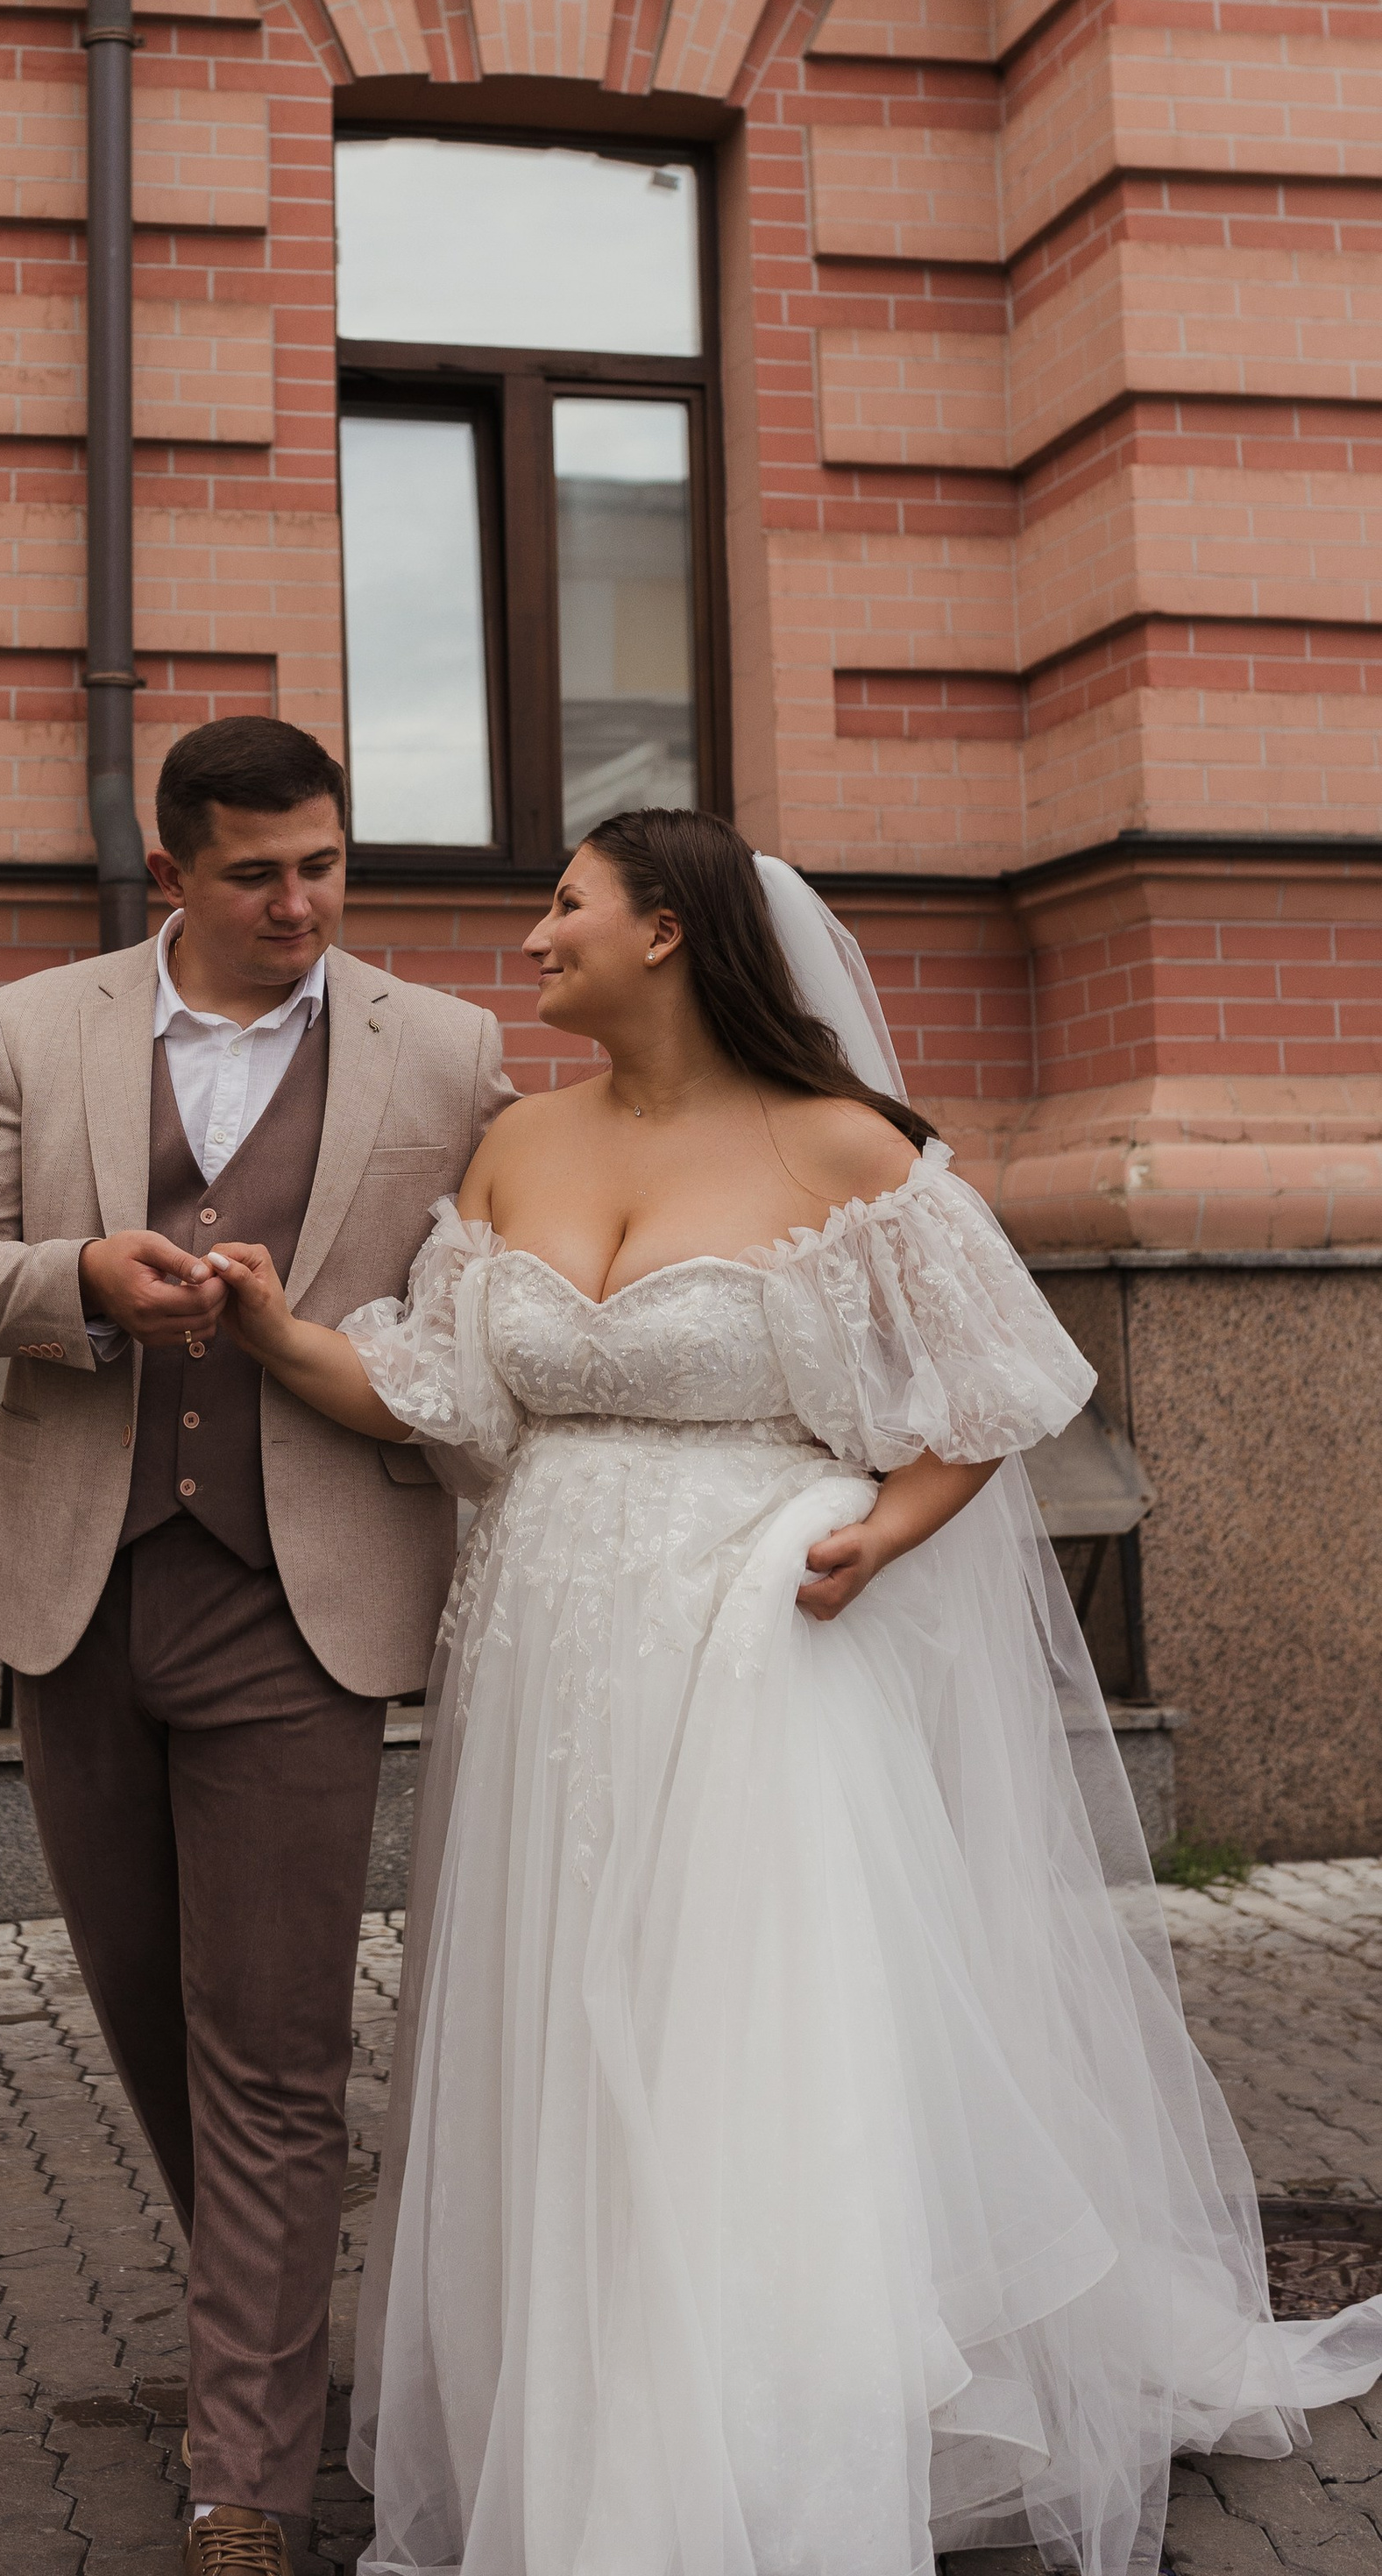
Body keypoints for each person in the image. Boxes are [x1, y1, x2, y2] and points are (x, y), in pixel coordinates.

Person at [203, 806, 1382, 2576]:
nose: (530, 939)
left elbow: (994, 1385)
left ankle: (758, 2444)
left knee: (735, 2036)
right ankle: (590, 2399)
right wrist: (285, 1337)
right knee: (564, 2031)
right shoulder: (518, 1143)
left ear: (664, 930)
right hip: (544, 1663)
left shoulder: (844, 1147)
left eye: (564, 904)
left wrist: (879, 1532)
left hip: (752, 1643)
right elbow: (451, 1390)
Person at [0, 716, 514, 2576]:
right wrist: (77, 1277)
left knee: (274, 2052)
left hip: (299, 1600)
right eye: (256, 873)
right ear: (171, 873)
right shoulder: (38, 1025)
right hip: (76, 1593)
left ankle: (246, 2469)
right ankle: (275, 2318)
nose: (299, 902)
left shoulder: (447, 1050)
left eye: (324, 863)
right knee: (157, 2018)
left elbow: (493, 1296)